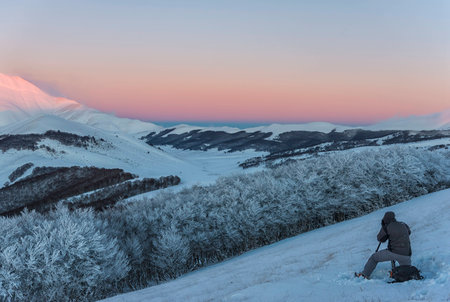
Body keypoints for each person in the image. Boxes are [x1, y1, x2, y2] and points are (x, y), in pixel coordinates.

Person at [356, 211, 411, 279]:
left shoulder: (387, 226)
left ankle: (364, 275)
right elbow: (409, 232)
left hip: (393, 252)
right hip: (406, 254)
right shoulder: (403, 224)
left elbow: (380, 239)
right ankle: (398, 274)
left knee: (374, 258)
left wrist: (384, 227)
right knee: (407, 271)